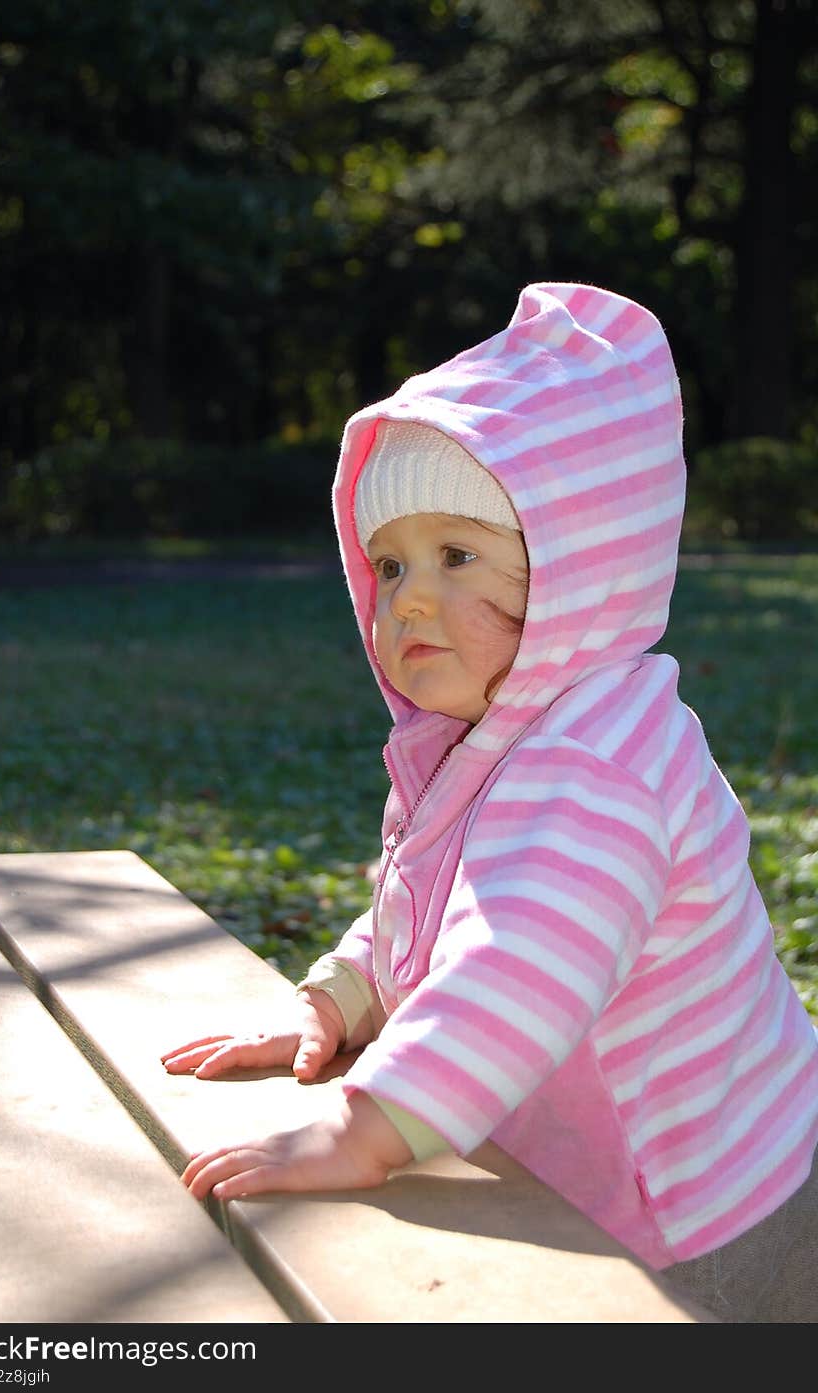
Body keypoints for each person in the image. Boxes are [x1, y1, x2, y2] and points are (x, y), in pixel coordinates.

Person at [163, 282, 818, 1321]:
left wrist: (363, 1131)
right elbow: (427, 905)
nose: (407, 597)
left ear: (581, 568)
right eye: (389, 563)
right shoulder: (474, 740)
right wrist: (341, 996)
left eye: (455, 556)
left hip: (705, 1210)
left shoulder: (597, 765)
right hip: (607, 1174)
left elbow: (518, 958)